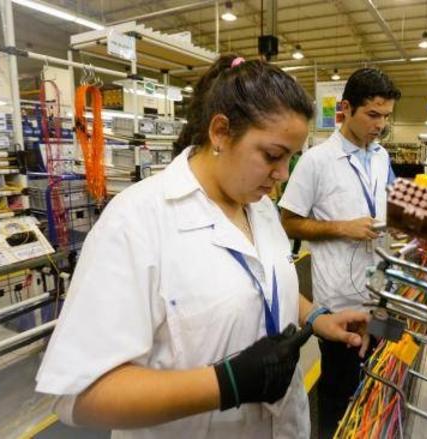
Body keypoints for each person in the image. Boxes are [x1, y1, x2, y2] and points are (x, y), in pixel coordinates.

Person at [35, 54, 370, 439]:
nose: (282, 174)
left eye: (291, 158)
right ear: (221, 132)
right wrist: (226, 383)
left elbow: (264, 284)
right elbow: (80, 395)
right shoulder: (137, 221)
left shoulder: (259, 207)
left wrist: (317, 319)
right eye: (273, 156)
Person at [278, 67, 401, 437]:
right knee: (340, 394)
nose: (380, 125)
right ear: (346, 108)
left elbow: (391, 201)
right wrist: (343, 227)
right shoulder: (316, 161)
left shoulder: (381, 156)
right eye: (373, 115)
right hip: (340, 303)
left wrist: (401, 222)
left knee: (379, 384)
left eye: (386, 116)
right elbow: (288, 222)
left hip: (380, 295)